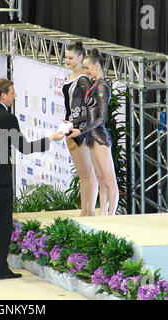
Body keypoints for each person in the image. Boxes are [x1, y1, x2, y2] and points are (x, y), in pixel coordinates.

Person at [0, 79, 66, 280]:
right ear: (3, 95)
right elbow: (24, 148)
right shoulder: (7, 118)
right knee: (2, 224)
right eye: (12, 92)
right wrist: (51, 138)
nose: (15, 95)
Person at [67, 49, 119, 216]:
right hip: (91, 138)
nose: (86, 71)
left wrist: (81, 130)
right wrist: (76, 126)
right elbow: (88, 114)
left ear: (96, 67)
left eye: (88, 67)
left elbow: (101, 118)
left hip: (100, 137)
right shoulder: (95, 85)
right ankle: (103, 214)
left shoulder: (102, 86)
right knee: (101, 180)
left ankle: (111, 216)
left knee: (109, 180)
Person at [63, 42, 99, 217]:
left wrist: (83, 129)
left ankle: (90, 211)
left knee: (88, 172)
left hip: (81, 131)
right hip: (70, 128)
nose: (66, 60)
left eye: (70, 58)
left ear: (80, 58)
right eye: (66, 57)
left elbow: (91, 105)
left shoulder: (83, 79)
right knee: (82, 174)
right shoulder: (70, 76)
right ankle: (84, 210)